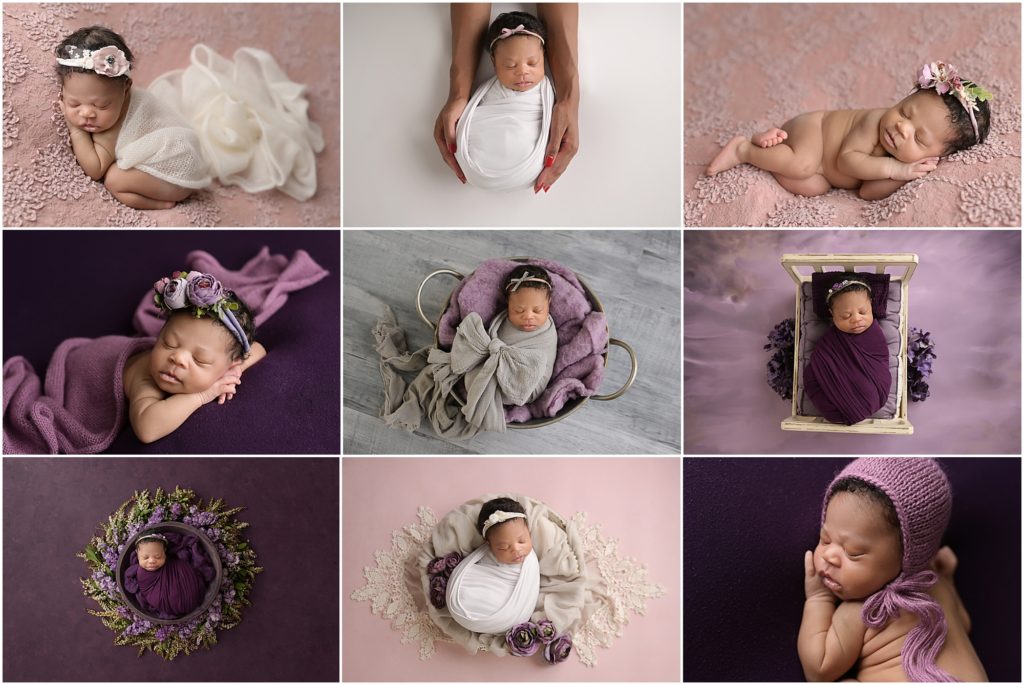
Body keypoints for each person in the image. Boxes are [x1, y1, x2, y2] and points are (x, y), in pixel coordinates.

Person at [799, 458, 987, 681]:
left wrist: (819, 599)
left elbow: (819, 670)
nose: (829, 556)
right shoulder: (939, 585)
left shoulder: (865, 612)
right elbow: (964, 624)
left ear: (908, 556)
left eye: (853, 553)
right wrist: (949, 578)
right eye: (825, 539)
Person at [707, 61, 992, 200]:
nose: (901, 127)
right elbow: (848, 160)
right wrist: (897, 170)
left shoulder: (905, 162)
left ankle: (771, 144)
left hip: (823, 173)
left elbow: (867, 192)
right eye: (904, 111)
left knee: (811, 186)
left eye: (918, 137)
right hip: (813, 130)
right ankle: (744, 148)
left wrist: (905, 175)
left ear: (937, 154)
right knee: (802, 164)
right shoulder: (876, 121)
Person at [434, 4, 579, 194]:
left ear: (543, 55)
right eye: (510, 65)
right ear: (494, 63)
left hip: (526, 161)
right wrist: (459, 95)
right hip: (477, 162)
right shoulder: (493, 89)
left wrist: (569, 98)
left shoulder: (542, 88)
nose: (522, 71)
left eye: (532, 63)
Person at [123, 270, 267, 443]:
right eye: (169, 343)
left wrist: (231, 372)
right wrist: (203, 395)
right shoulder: (145, 375)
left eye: (200, 359)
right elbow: (147, 429)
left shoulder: (229, 363)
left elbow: (258, 349)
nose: (177, 358)